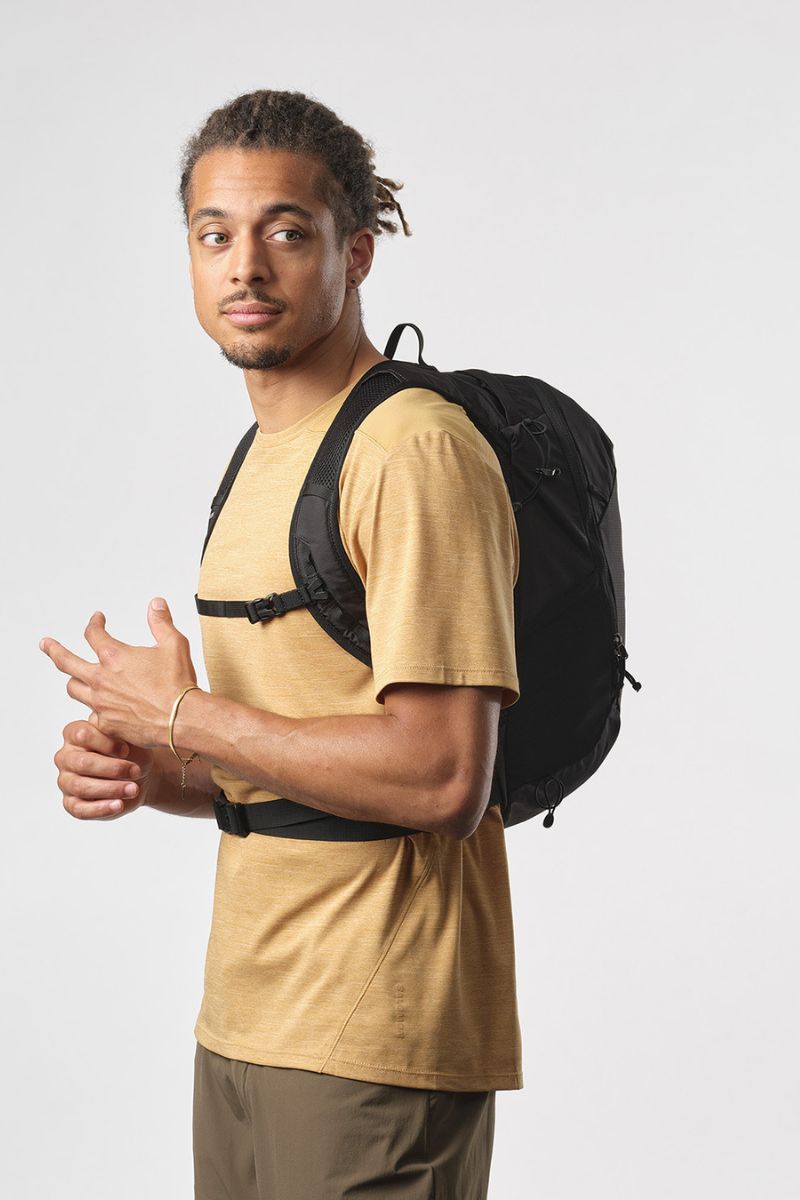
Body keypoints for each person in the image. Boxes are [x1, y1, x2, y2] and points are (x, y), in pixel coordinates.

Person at [40, 88, 523, 1200]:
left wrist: (187, 715)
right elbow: (290, 762)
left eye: (286, 232)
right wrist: (153, 765)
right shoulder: (265, 454)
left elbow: (443, 777)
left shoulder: (410, 450)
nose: (245, 267)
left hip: (377, 1026)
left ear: (355, 253)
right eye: (214, 235)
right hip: (247, 1014)